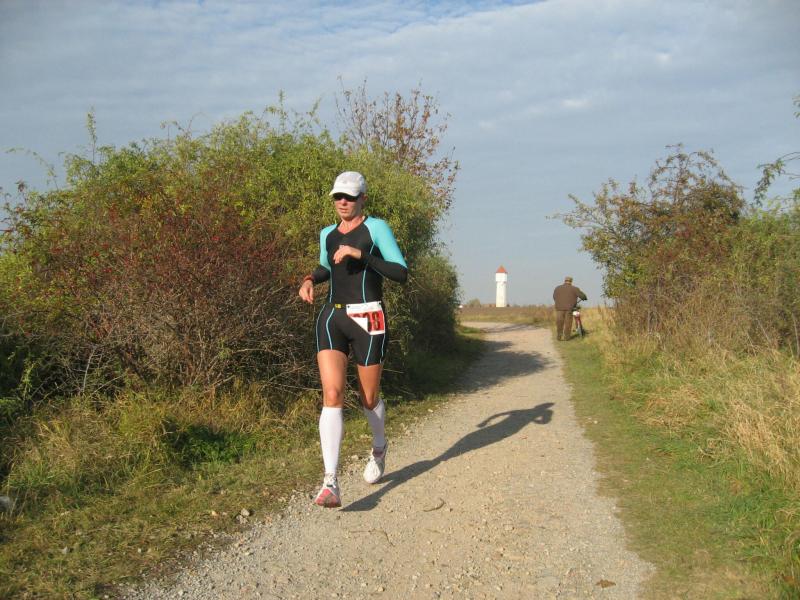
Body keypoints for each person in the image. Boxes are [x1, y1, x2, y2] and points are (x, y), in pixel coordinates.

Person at [298, 171, 408, 508]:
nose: (342, 202)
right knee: (332, 394)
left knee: (368, 398)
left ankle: (379, 447)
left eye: (349, 197)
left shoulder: (376, 228)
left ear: (363, 199)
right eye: (337, 197)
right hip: (332, 316)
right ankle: (330, 482)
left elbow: (400, 272)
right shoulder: (327, 234)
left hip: (368, 317)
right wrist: (309, 279)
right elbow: (326, 268)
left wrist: (361, 255)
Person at [552, 276, 587, 341]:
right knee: (568, 323)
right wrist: (585, 297)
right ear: (571, 281)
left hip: (559, 308)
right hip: (569, 308)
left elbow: (554, 297)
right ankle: (566, 337)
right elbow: (582, 296)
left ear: (564, 281)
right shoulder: (574, 288)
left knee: (559, 322)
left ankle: (559, 336)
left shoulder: (557, 288)